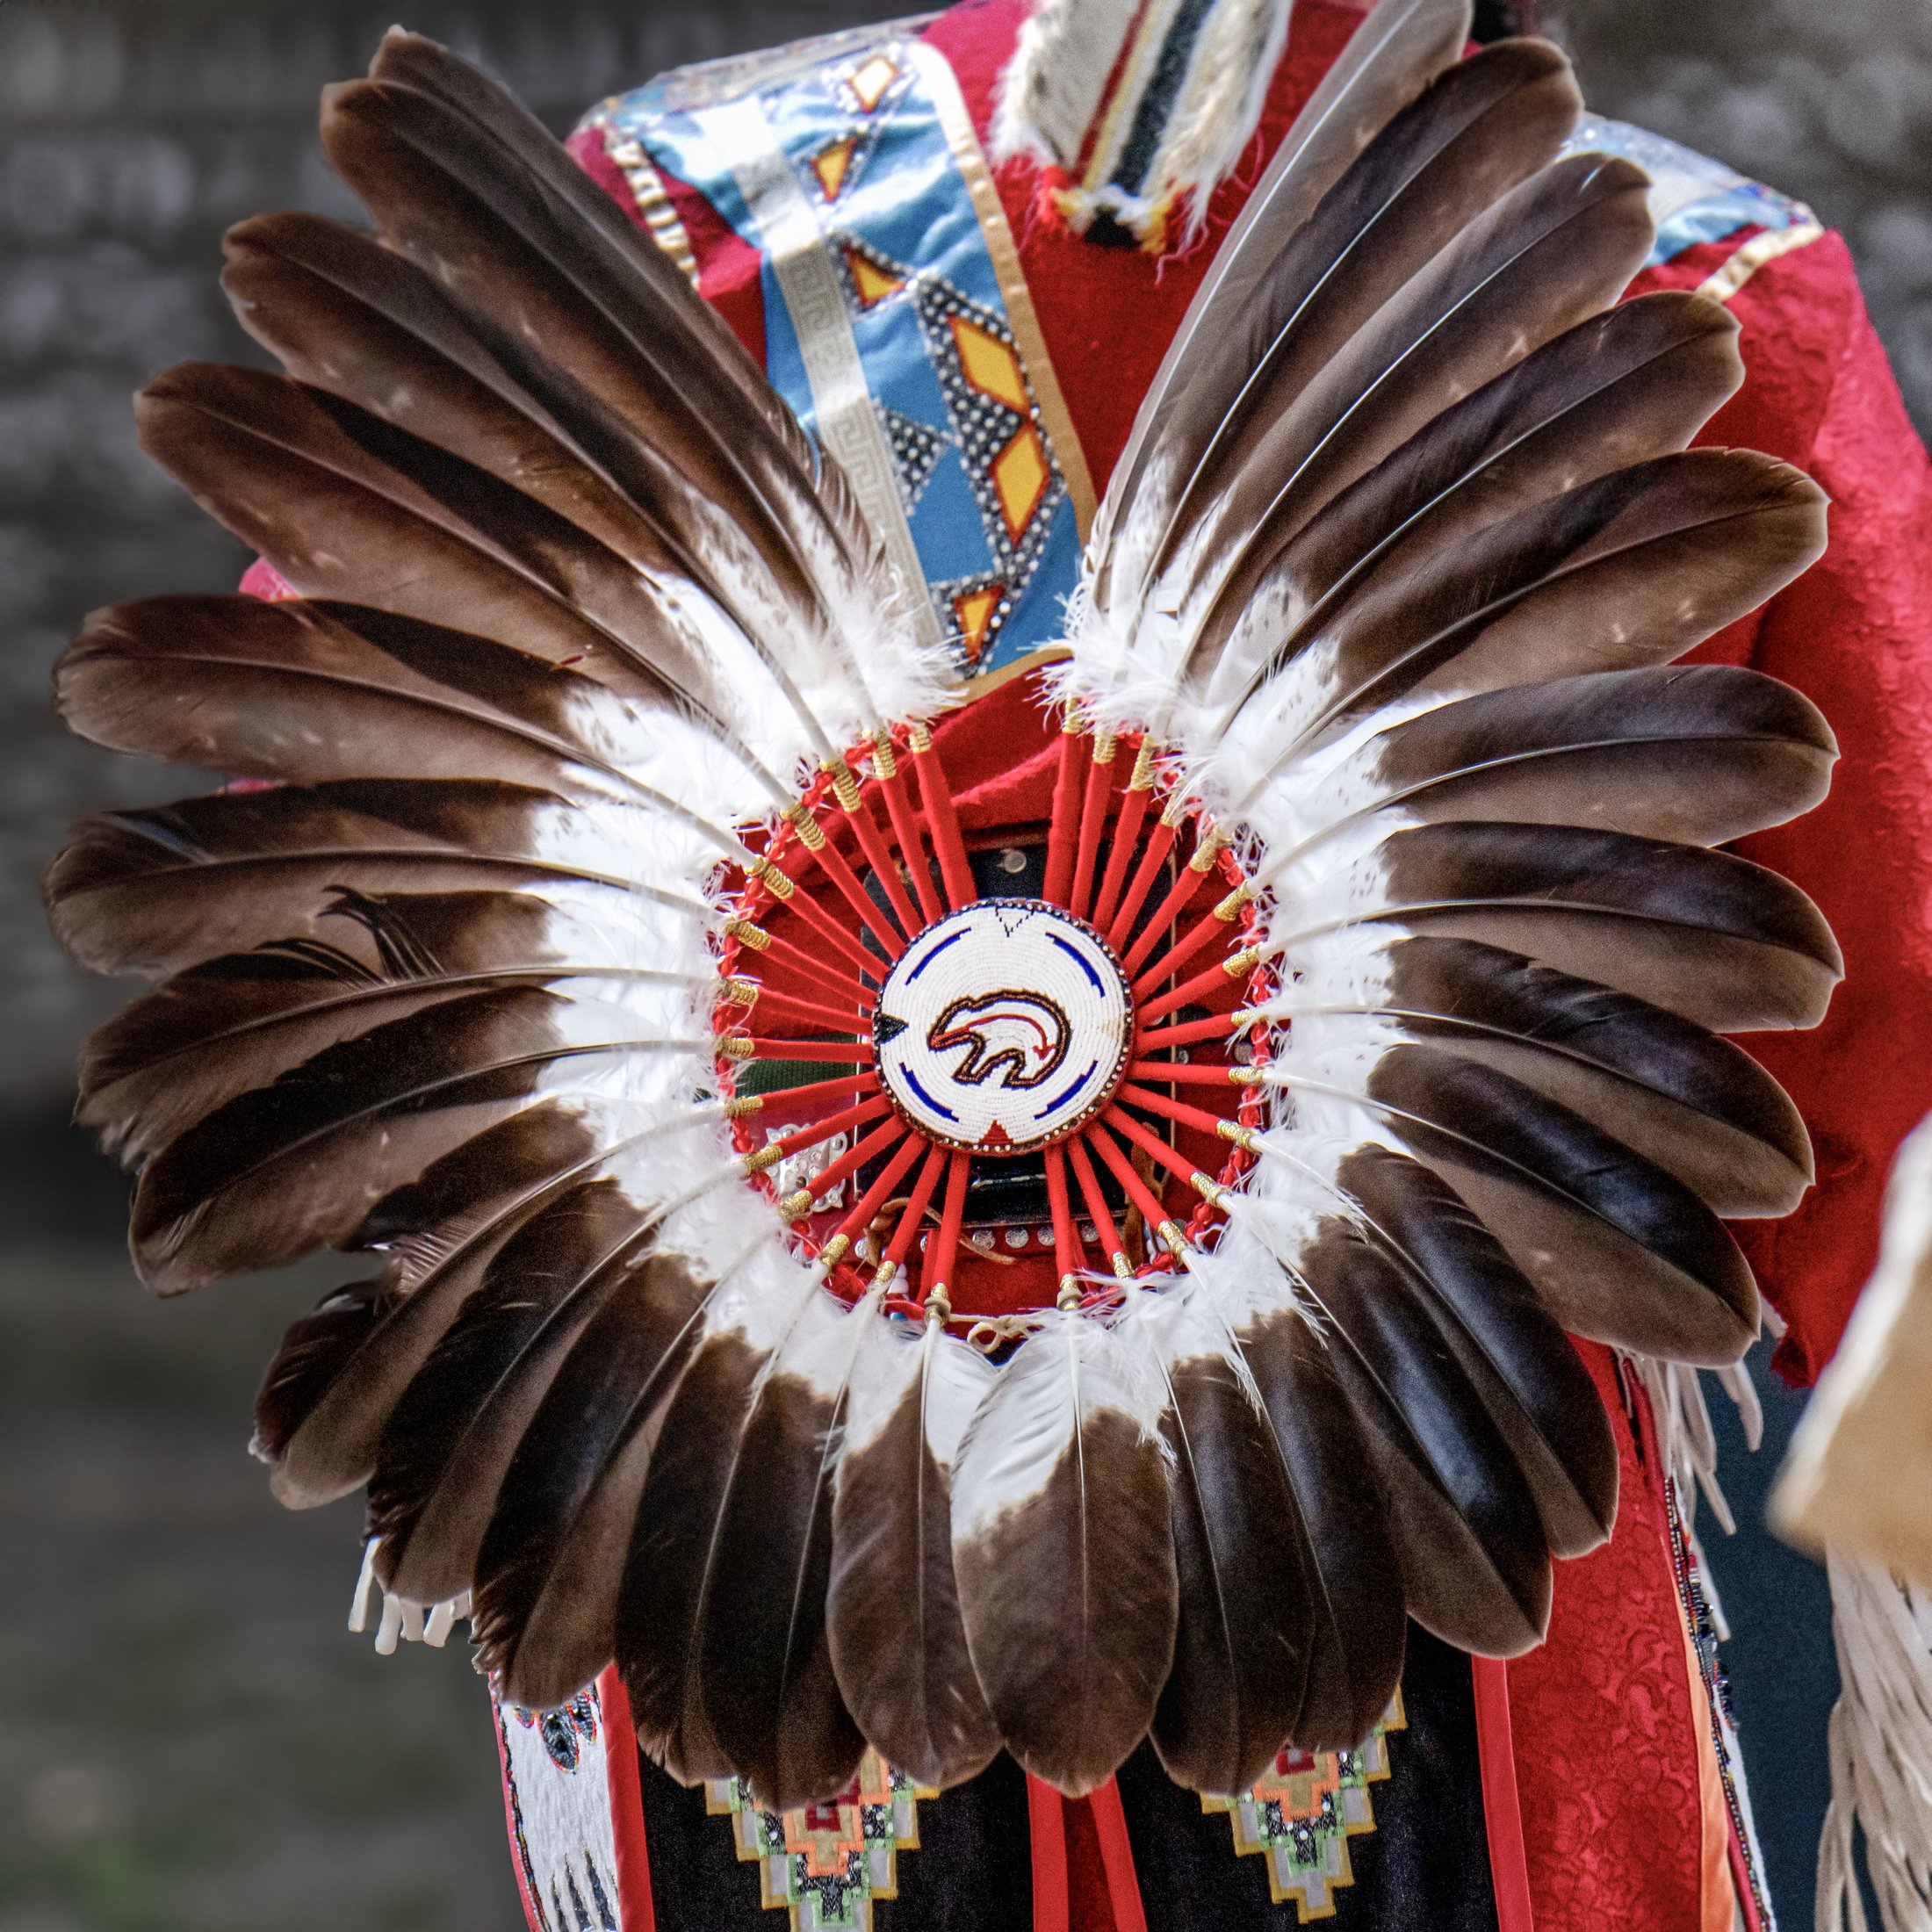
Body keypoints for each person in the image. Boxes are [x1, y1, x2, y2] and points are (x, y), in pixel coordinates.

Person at [523, 4, 1932, 1928]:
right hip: (1419, 1496)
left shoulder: (687, 206)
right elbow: (1897, 1025)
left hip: (763, 1540)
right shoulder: (1668, 288)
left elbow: (404, 864)